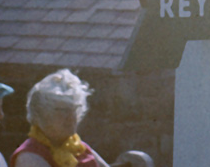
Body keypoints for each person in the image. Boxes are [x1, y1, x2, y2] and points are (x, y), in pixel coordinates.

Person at [11, 68, 151, 167]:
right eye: (62, 111)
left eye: (74, 109)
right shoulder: (29, 156)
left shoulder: (79, 148)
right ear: (41, 114)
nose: (71, 116)